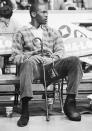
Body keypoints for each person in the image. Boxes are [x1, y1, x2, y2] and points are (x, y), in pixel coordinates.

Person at [11, 0, 83, 127]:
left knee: (74, 61)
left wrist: (52, 59)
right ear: (33, 14)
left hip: (52, 67)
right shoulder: (21, 32)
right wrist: (31, 56)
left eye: (47, 12)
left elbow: (61, 51)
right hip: (33, 69)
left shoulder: (53, 31)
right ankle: (25, 109)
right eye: (43, 12)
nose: (46, 15)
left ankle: (70, 103)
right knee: (27, 64)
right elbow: (15, 57)